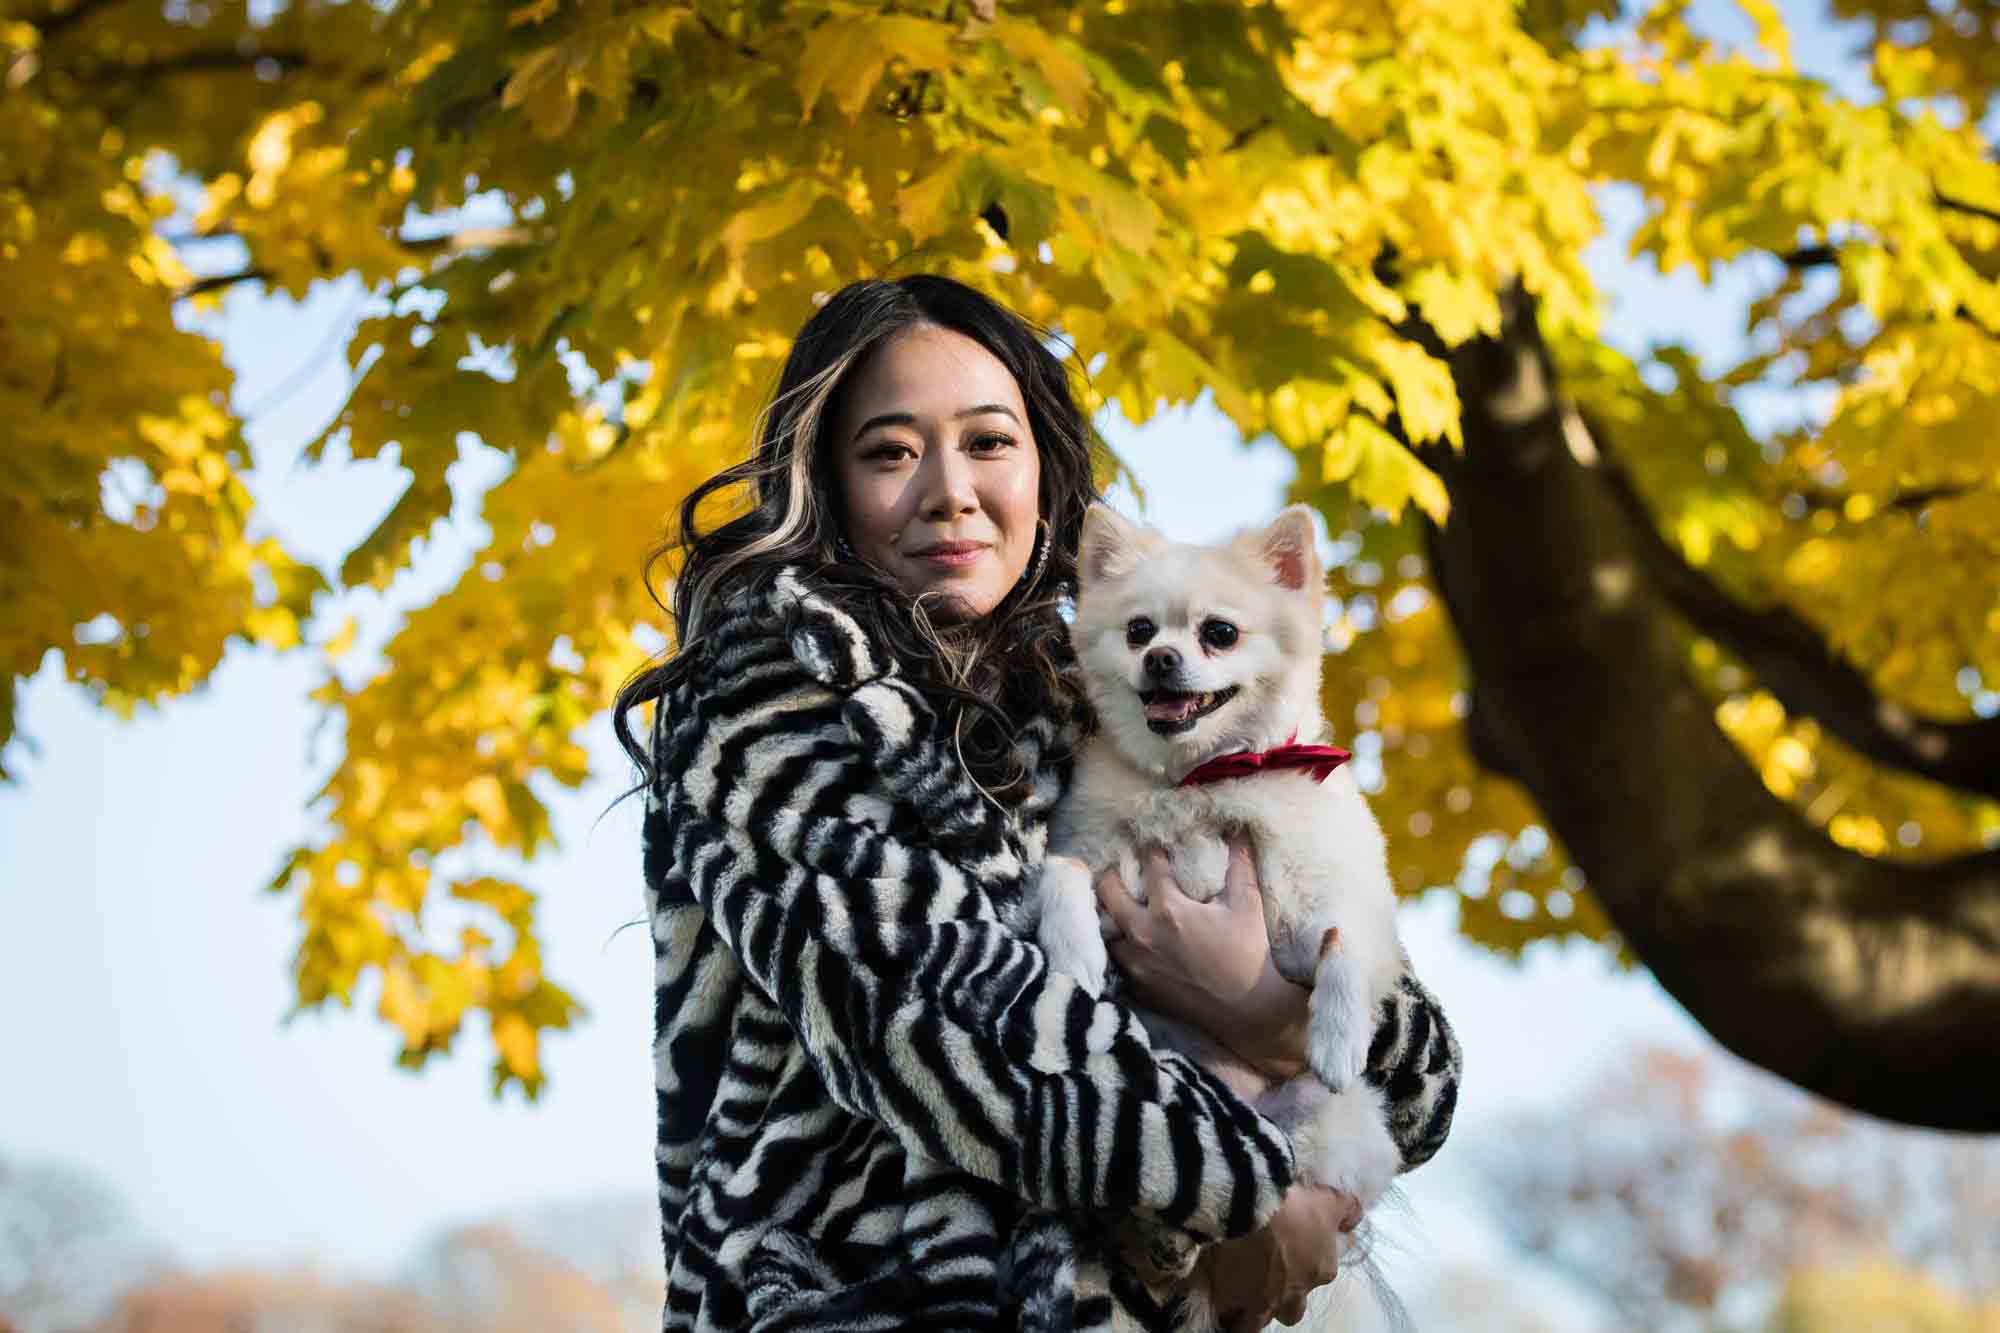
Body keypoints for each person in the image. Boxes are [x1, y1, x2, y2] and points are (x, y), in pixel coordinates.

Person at [613, 275, 1460, 1333]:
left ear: (1042, 472)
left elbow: (1417, 1071)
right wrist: (1253, 1195)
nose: (948, 490)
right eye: (889, 451)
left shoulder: (1110, 699)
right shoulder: (767, 694)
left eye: (987, 442)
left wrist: (1272, 1017)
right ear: (826, 482)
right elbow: (933, 1026)